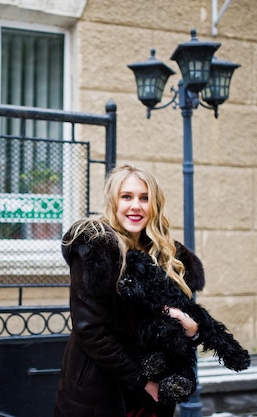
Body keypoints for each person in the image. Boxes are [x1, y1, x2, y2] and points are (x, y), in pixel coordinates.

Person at [54, 164, 206, 417]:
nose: (136, 205)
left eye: (144, 198)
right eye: (127, 197)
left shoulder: (167, 254)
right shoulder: (96, 249)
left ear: (155, 205)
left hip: (153, 396)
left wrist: (194, 327)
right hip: (100, 392)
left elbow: (183, 316)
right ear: (113, 202)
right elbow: (91, 331)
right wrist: (143, 382)